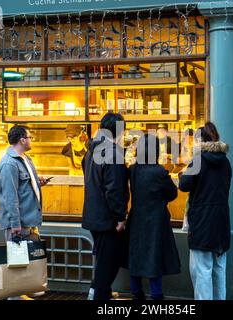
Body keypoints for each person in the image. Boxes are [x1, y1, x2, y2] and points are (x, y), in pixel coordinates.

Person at [0, 125, 50, 300]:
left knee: (28, 261)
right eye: (30, 137)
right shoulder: (8, 163)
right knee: (16, 264)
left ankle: (25, 292)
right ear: (22, 140)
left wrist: (37, 182)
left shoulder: (25, 159)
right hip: (19, 223)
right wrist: (15, 224)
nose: (31, 139)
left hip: (29, 221)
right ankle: (15, 297)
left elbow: (21, 187)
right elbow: (10, 197)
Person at [178, 122, 231, 300]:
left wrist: (183, 174)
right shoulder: (225, 161)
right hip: (221, 220)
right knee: (219, 269)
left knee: (202, 270)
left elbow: (184, 185)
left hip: (202, 221)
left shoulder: (198, 160)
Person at [82, 112, 130, 300]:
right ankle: (99, 296)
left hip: (93, 215)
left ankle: (99, 292)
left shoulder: (91, 150)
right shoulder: (113, 153)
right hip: (108, 218)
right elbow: (114, 190)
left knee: (103, 259)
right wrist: (120, 217)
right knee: (109, 262)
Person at [127, 134, 181, 300]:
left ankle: (136, 293)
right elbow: (173, 193)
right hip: (156, 222)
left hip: (135, 219)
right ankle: (156, 295)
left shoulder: (133, 170)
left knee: (135, 258)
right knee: (153, 258)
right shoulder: (159, 172)